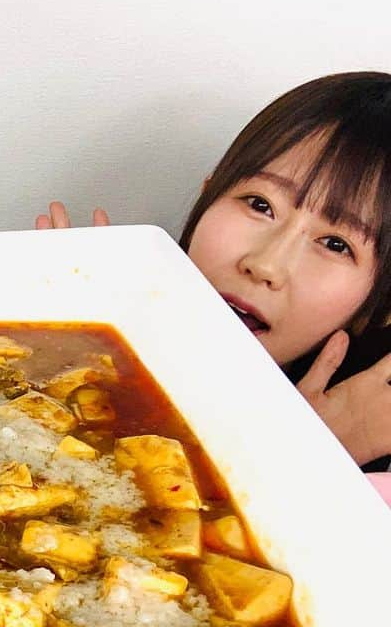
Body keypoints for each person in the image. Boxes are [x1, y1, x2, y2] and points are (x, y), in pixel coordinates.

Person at [34, 71, 391, 478]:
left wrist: (317, 461)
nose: (265, 265)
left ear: (378, 306)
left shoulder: (361, 449)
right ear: (207, 196)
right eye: (259, 204)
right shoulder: (82, 320)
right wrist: (57, 344)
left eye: (336, 245)